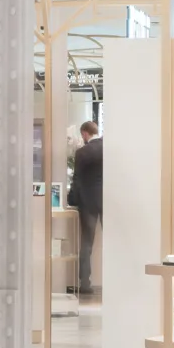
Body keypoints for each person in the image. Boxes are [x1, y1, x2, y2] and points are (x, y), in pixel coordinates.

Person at [70, 120, 102, 296]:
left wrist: (72, 198)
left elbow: (77, 179)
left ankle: (85, 283)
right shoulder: (107, 148)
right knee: (114, 242)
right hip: (106, 201)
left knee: (87, 243)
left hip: (88, 203)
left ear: (84, 133)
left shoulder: (82, 152)